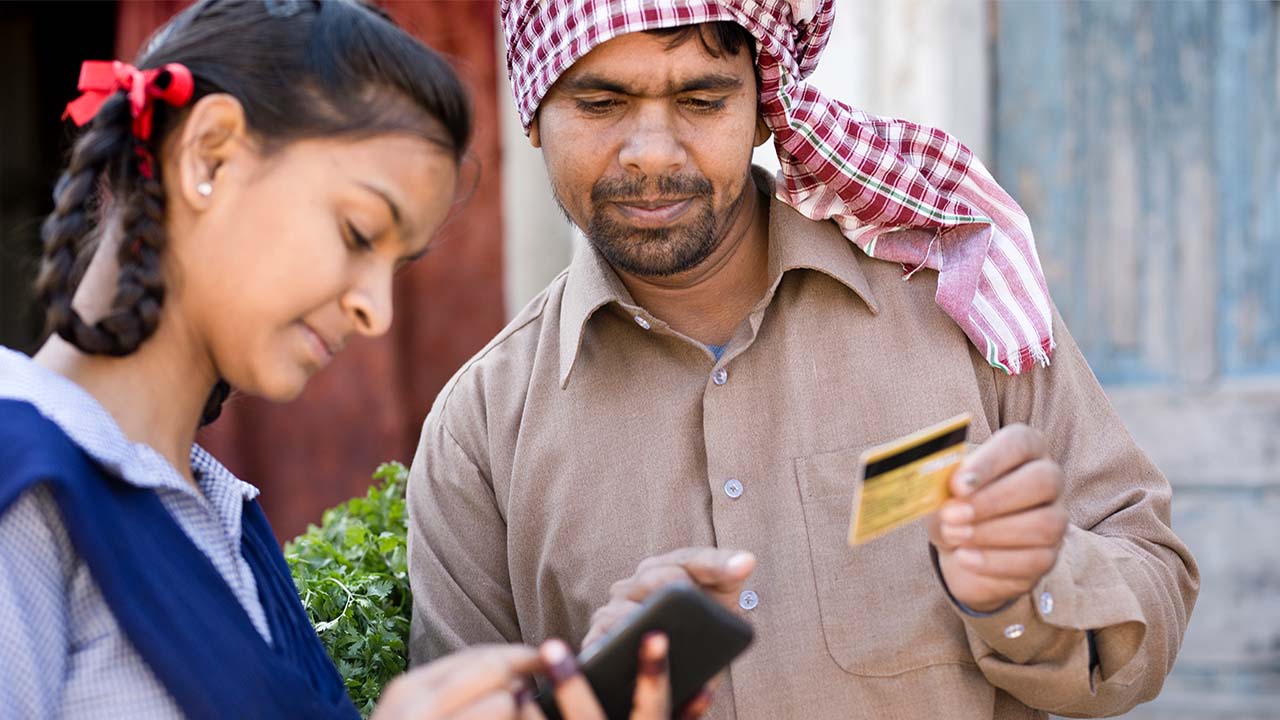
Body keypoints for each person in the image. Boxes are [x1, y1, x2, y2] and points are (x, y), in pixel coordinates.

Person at [406, 2, 1199, 718]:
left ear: (764, 110)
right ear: (534, 114)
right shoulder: (482, 429)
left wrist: (1028, 590)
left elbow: (1151, 587)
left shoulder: (960, 302)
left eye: (702, 101)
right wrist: (598, 692)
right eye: (601, 103)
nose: (650, 153)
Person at [0, 1, 679, 718]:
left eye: (396, 265)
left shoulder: (222, 516)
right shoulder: (24, 478)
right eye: (358, 233)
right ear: (210, 155)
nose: (375, 312)